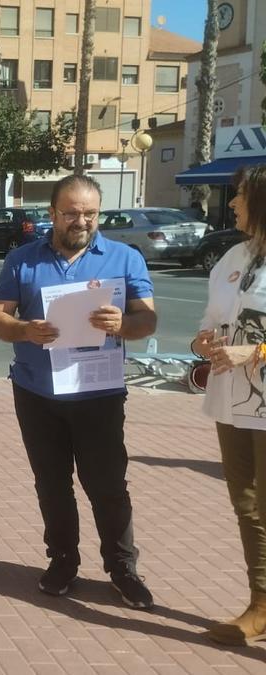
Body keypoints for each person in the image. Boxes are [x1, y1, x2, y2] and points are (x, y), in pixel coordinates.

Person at [0, 175, 157, 610]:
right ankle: (63, 560)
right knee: (52, 484)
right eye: (72, 213)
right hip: (37, 393)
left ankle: (122, 568)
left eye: (90, 213)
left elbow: (147, 321)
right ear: (53, 214)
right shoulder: (23, 261)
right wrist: (25, 329)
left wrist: (125, 325)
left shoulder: (124, 258)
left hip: (98, 394)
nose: (82, 221)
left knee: (108, 486)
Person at [192, 164, 266, 643]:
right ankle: (261, 605)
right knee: (248, 504)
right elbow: (212, 321)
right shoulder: (235, 256)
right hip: (232, 402)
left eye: (241, 195)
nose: (234, 203)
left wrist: (256, 350)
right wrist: (205, 343)